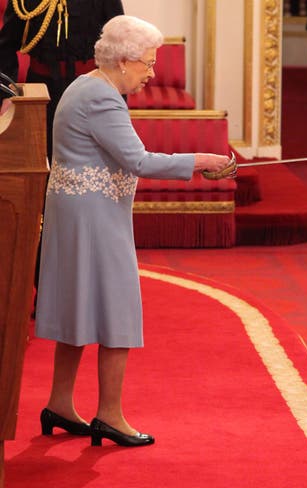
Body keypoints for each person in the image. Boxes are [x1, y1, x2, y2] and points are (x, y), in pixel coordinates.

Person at [35, 15, 235, 447]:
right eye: (146, 63)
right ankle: (109, 415)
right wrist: (199, 160)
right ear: (123, 61)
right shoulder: (103, 99)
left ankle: (60, 403)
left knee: (78, 308)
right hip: (94, 218)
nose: (152, 73)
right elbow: (139, 161)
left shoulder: (86, 85)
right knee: (115, 307)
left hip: (79, 213)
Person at [0, 0, 125, 159]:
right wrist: (8, 95)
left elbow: (119, 41)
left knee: (95, 156)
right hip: (43, 91)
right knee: (42, 157)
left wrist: (117, 92)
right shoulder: (22, 3)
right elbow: (6, 46)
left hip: (91, 88)